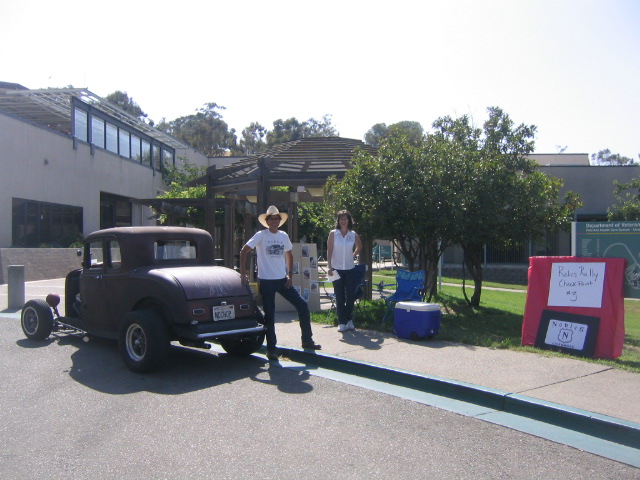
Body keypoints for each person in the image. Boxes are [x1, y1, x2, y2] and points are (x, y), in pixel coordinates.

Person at [240, 205, 321, 361]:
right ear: (267, 221)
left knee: (302, 305)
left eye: (277, 219)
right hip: (266, 281)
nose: (274, 221)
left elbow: (289, 255)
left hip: (282, 280)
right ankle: (271, 349)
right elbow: (244, 250)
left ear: (279, 221)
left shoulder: (283, 235)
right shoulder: (261, 235)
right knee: (270, 316)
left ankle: (307, 340)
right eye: (272, 219)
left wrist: (290, 274)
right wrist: (244, 273)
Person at [327, 210, 362, 332]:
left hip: (350, 268)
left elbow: (359, 246)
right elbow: (329, 250)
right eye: (341, 219)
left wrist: (353, 255)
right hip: (336, 268)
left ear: (349, 221)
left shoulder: (353, 234)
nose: (343, 221)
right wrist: (329, 266)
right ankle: (341, 321)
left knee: (351, 295)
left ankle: (349, 319)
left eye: (345, 219)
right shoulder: (333, 234)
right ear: (338, 221)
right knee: (340, 296)